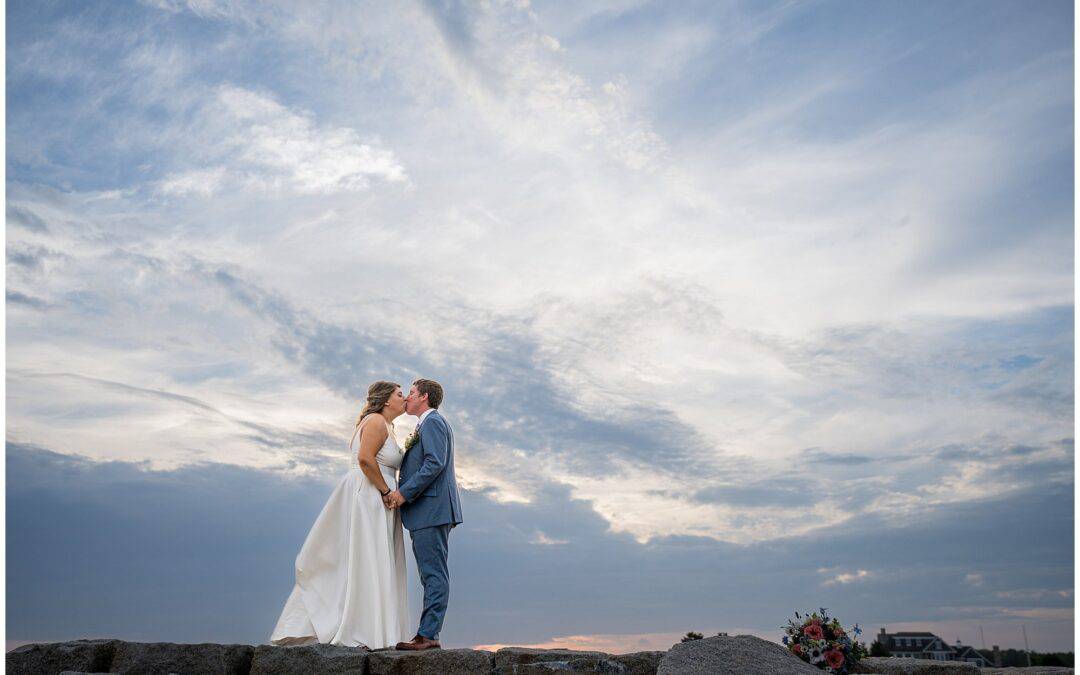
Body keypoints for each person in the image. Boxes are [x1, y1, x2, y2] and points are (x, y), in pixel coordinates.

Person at [269, 380, 410, 649]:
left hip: (377, 497)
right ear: (386, 400)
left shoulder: (388, 426)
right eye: (400, 394)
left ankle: (372, 627)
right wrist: (384, 491)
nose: (404, 398)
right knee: (364, 557)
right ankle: (360, 628)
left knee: (369, 559)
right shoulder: (376, 422)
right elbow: (366, 459)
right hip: (369, 495)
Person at [385, 378, 463, 651]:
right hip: (430, 510)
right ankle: (426, 633)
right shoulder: (427, 423)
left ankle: (428, 635)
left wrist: (404, 493)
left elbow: (434, 463)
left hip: (431, 509)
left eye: (413, 392)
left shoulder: (433, 422)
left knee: (433, 573)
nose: (407, 397)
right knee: (430, 572)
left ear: (425, 397)